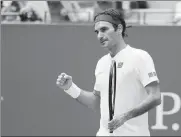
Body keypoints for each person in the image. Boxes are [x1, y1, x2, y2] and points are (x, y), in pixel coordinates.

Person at [56, 8, 161, 136]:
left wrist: (125, 117)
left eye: (104, 29)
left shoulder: (140, 57)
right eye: (97, 32)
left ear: (119, 29)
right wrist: (70, 88)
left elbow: (155, 97)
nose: (99, 35)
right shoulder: (101, 63)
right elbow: (96, 103)